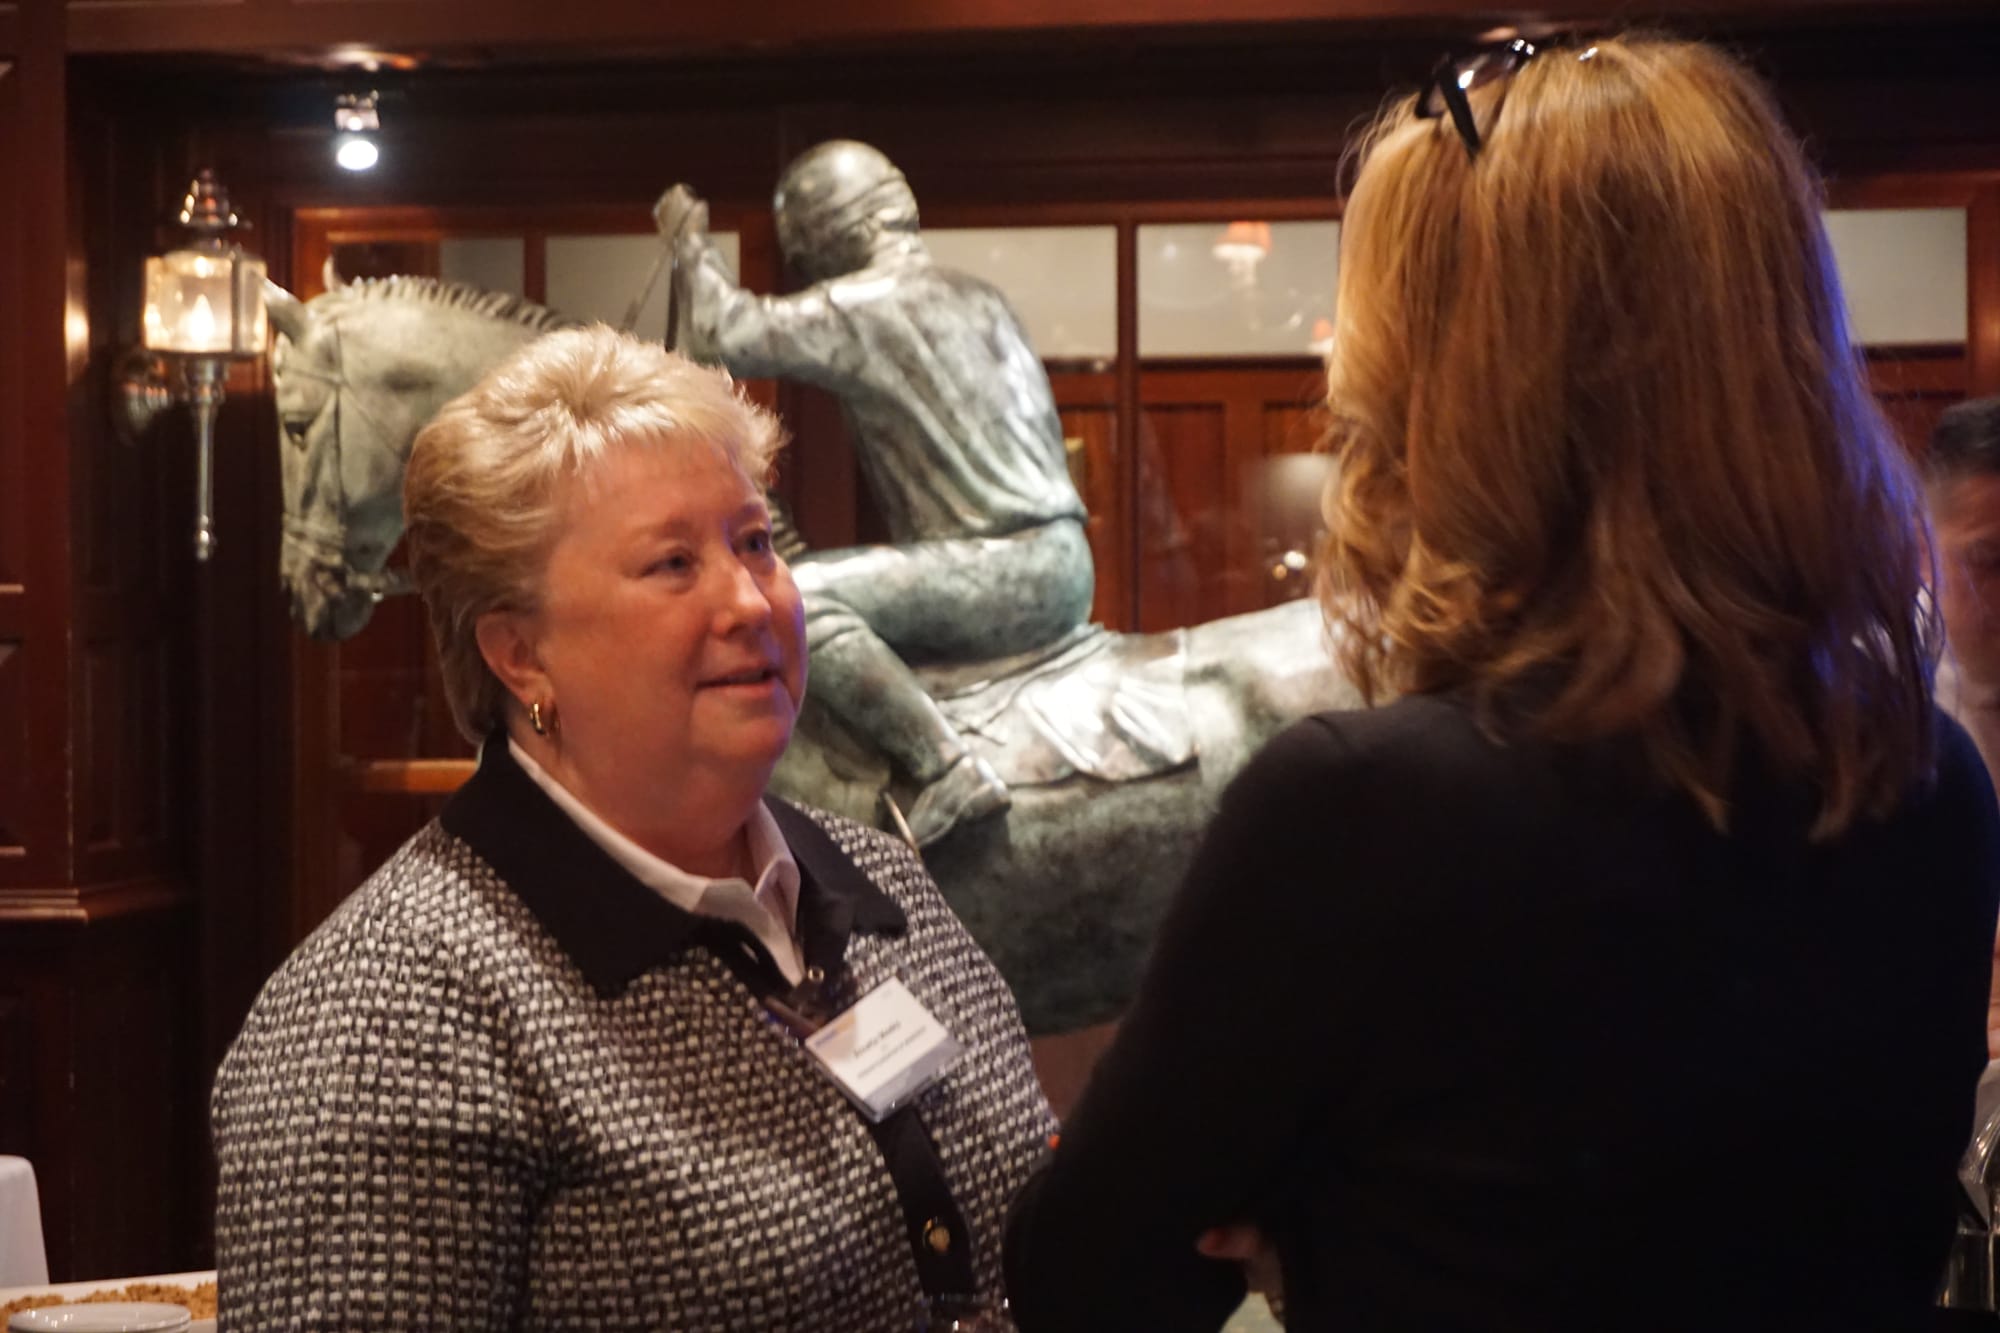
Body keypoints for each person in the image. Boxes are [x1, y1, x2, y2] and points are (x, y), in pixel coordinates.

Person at [1003, 35, 2000, 1333]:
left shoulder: (1362, 808)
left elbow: (1081, 1273)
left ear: (1451, 388)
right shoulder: (1930, 781)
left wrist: (1308, 1224)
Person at [211, 326, 1056, 1332]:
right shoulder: (383, 1018)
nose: (749, 600)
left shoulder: (885, 883)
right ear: (520, 653)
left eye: (755, 542)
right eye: (673, 562)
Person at [655, 141, 1095, 847]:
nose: (806, 265)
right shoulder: (978, 295)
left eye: (804, 247)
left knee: (794, 595)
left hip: (1000, 565)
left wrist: (688, 241)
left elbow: (722, 332)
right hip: (1058, 558)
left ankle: (946, 765)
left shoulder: (865, 303)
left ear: (837, 231)